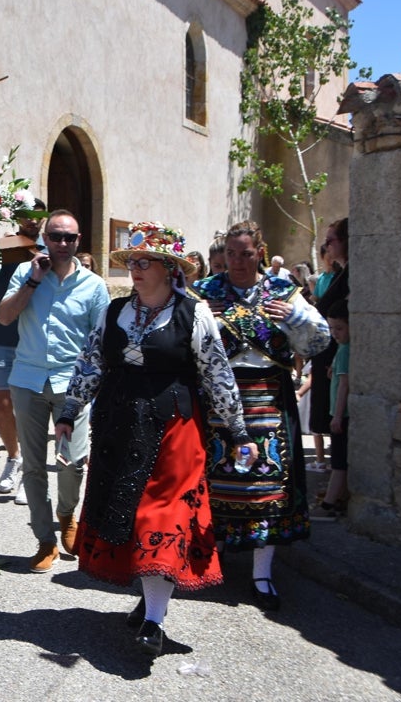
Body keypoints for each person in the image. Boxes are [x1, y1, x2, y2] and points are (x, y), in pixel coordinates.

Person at [56, 222, 255, 657]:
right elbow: (91, 363)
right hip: (119, 425)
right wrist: (70, 410)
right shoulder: (114, 312)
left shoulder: (193, 314)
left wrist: (238, 429)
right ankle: (151, 601)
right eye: (133, 263)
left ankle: (153, 622)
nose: (136, 270)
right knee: (128, 513)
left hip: (174, 428)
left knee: (161, 515)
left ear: (168, 268)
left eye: (145, 263)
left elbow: (216, 373)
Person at [190, 220, 330, 611]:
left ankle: (262, 574)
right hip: (217, 396)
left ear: (260, 253)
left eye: (246, 254)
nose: (237, 261)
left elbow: (319, 342)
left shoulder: (284, 293)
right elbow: (184, 345)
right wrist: (205, 318)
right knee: (212, 478)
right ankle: (208, 561)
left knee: (267, 485)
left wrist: (294, 318)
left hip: (269, 398)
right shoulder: (204, 294)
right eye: (231, 253)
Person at [0, 209, 110, 573]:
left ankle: (66, 514)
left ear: (79, 241)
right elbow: (4, 317)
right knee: (32, 465)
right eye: (56, 236)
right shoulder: (25, 274)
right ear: (45, 239)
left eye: (70, 238)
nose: (62, 244)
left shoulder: (93, 286)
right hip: (28, 379)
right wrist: (32, 281)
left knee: (73, 463)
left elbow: (101, 340)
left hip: (72, 385)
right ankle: (45, 540)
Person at [0, 202, 46, 499]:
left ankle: (30, 473)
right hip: (5, 336)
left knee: (30, 410)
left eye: (37, 217)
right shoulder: (6, 246)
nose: (31, 222)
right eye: (26, 216)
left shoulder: (53, 249)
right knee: (2, 408)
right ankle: (14, 457)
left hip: (34, 339)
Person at [309, 218, 349, 474]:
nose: (327, 246)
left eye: (330, 240)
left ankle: (339, 485)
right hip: (329, 356)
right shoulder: (342, 275)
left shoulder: (350, 275)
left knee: (338, 419)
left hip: (338, 357)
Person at [312, 300, 350, 521]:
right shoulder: (343, 349)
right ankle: (340, 499)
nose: (335, 333)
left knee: (338, 462)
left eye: (340, 328)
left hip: (341, 415)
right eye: (331, 328)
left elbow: (344, 384)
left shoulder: (345, 351)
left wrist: (336, 416)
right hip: (340, 413)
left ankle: (327, 505)